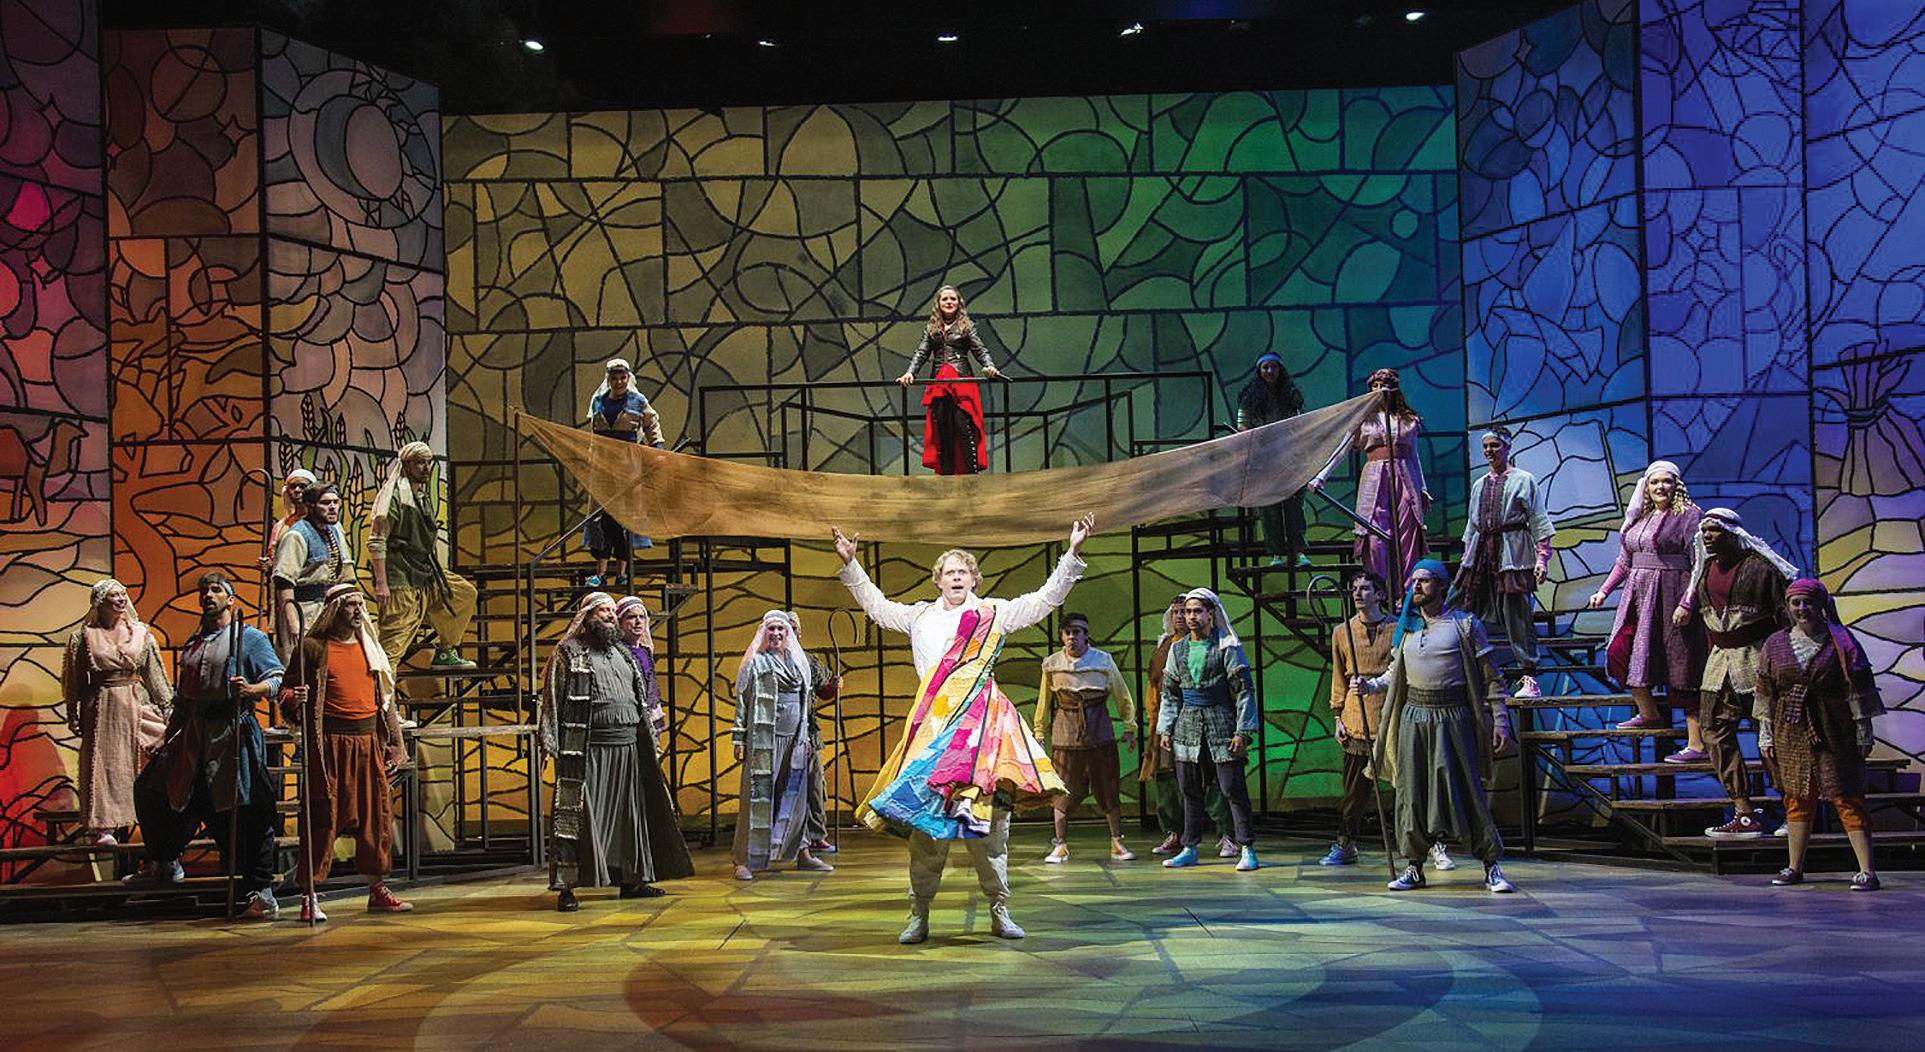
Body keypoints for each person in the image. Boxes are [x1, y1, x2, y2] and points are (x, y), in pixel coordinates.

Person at [831, 515, 1091, 944]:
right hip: (933, 732)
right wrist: (850, 563)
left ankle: (999, 909)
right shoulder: (920, 616)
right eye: (949, 572)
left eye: (962, 571)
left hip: (982, 731)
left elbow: (1045, 599)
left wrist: (1073, 553)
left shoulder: (993, 613)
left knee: (990, 825)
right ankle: (919, 913)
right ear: (937, 581)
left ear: (974, 578)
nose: (956, 577)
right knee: (926, 828)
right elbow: (877, 606)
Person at [127, 573, 284, 919]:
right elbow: (183, 700)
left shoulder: (249, 638)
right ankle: (165, 861)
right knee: (154, 791)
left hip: (233, 735)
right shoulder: (194, 643)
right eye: (204, 591)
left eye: (216, 590)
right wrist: (167, 739)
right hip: (194, 737)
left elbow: (277, 678)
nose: (208, 596)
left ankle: (261, 891)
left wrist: (252, 690)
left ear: (231, 599)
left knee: (248, 811)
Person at [1358, 559, 1518, 894]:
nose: (1416, 587)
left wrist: (1500, 721)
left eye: (1425, 581)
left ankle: (1491, 865)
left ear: (1442, 586)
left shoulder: (1465, 625)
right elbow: (1395, 674)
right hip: (1414, 718)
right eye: (1413, 581)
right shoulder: (1407, 628)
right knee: (1412, 794)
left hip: (1453, 717)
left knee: (1465, 791)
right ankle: (1415, 867)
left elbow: (1492, 678)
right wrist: (1370, 686)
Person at [540, 593, 693, 911]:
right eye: (603, 611)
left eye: (612, 611)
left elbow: (642, 700)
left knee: (629, 818)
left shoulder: (624, 653)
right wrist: (549, 742)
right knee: (578, 819)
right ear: (587, 616)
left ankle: (633, 880)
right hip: (589, 751)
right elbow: (553, 698)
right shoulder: (569, 652)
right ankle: (567, 888)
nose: (610, 615)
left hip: (628, 749)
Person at [281, 584, 413, 922]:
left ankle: (377, 889)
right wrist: (295, 699)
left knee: (375, 818)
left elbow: (385, 699)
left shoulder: (370, 647)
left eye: (360, 605)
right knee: (322, 817)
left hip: (367, 743)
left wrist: (396, 744)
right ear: (334, 610)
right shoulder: (313, 647)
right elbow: (286, 691)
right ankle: (310, 894)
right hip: (329, 745)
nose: (358, 611)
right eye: (350, 605)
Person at [1758, 579, 1886, 891]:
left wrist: (1863, 730)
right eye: (1796, 603)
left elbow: (1859, 688)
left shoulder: (1841, 641)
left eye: (1808, 602)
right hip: (1790, 728)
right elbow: (1765, 691)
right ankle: (1794, 867)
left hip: (1834, 727)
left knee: (1846, 794)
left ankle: (1867, 871)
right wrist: (1766, 732)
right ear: (1788, 606)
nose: (1802, 609)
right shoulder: (1775, 643)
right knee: (1797, 797)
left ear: (1821, 605)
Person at [1686, 508, 1796, 840]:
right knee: (1713, 730)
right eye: (1704, 531)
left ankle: (1795, 811)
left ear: (1732, 533)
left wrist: (1785, 664)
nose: (1707, 536)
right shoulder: (1704, 569)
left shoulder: (1761, 569)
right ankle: (1744, 811)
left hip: (1756, 658)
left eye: (1714, 530)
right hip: (1719, 664)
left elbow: (1785, 619)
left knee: (1773, 736)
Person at [1588, 461, 1707, 760]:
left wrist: (1687, 602)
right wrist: (1604, 590)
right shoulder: (1639, 516)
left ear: (1676, 485)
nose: (1660, 487)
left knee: (1680, 666)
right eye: (1655, 482)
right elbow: (1624, 562)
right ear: (1647, 486)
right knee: (1619, 651)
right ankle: (1649, 713)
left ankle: (1697, 744)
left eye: (1667, 481)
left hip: (1672, 595)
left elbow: (1700, 563)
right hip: (1639, 599)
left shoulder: (1689, 515)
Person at [1157, 588, 1261, 873]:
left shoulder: (1227, 646)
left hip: (1221, 722)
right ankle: (1189, 847)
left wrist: (1242, 731)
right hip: (1187, 726)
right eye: (1187, 611)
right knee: (1189, 789)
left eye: (1197, 611)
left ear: (1210, 614)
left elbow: (1244, 691)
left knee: (1232, 788)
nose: (1191, 616)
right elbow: (1170, 692)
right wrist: (1166, 728)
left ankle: (1246, 847)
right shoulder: (1177, 649)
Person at [62, 579, 172, 845]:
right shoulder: (84, 637)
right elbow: (74, 679)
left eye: (123, 594)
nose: (121, 599)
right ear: (101, 602)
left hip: (134, 701)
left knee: (154, 755)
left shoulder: (140, 634)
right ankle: (105, 825)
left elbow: (154, 675)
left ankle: (157, 820)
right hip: (102, 706)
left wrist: (168, 708)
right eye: (114, 595)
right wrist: (73, 712)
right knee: (105, 765)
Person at [730, 610, 836, 880]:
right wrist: (739, 738)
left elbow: (804, 702)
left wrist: (805, 736)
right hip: (764, 740)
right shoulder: (756, 662)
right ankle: (744, 859)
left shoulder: (798, 662)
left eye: (781, 629)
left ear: (788, 634)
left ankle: (802, 853)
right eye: (772, 629)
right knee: (757, 797)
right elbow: (742, 701)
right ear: (764, 633)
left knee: (796, 798)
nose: (776, 634)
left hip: (795, 740)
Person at [1453, 427, 1556, 698]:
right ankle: (1462, 669)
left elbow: (1538, 520)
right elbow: (1472, 525)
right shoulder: (1480, 484)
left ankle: (1529, 676)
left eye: (1495, 445)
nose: (1489, 451)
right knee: (1459, 605)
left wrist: (1542, 559)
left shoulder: (1524, 480)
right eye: (1486, 446)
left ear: (1507, 447)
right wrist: (1467, 558)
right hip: (1481, 553)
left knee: (1516, 614)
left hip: (1512, 553)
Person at [1308, 367, 1430, 587]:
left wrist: (1422, 488)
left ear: (1394, 388)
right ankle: (1379, 591)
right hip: (1375, 478)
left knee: (1407, 536)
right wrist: (1321, 477)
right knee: (1374, 536)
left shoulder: (1408, 419)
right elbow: (1342, 449)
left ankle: (1406, 593)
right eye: (1376, 385)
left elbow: (1414, 455)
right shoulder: (1363, 420)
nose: (1381, 389)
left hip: (1405, 477)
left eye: (1385, 385)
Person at [1035, 612, 1138, 864]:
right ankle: (1060, 844)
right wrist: (1039, 731)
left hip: (1098, 729)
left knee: (1107, 784)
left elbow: (1122, 694)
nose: (1072, 637)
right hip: (1066, 731)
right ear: (1062, 636)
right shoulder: (1052, 663)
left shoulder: (1102, 660)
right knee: (1062, 786)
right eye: (1067, 632)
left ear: (1086, 635)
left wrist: (1129, 726)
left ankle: (1116, 842)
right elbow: (1043, 701)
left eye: (1077, 632)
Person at [1141, 595, 1238, 859]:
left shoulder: (1216, 644)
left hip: (1207, 717)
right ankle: (1176, 834)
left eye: (1186, 611)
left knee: (1216, 777)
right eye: (1176, 612)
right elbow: (1158, 688)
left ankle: (1226, 834)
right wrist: (1158, 724)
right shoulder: (1166, 646)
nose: (1181, 617)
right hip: (1169, 722)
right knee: (1168, 780)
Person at [369, 441, 477, 670]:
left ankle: (446, 650)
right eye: (420, 463)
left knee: (462, 594)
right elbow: (377, 541)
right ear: (407, 465)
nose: (426, 468)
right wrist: (381, 583)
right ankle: (381, 690)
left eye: (429, 462)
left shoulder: (420, 495)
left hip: (423, 570)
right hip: (400, 575)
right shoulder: (395, 498)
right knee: (394, 643)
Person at [1320, 570, 1393, 867]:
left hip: (1388, 711)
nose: (1358, 594)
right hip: (1356, 714)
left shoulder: (1397, 627)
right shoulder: (1342, 631)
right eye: (1355, 589)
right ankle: (1346, 842)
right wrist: (1338, 715)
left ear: (1380, 594)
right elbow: (1339, 675)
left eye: (1365, 589)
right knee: (1354, 790)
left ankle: (1430, 843)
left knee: (1410, 784)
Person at [895, 284, 1000, 476]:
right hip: (939, 383)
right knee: (943, 429)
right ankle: (946, 476)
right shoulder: (932, 328)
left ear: (959, 302)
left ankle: (971, 476)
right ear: (939, 303)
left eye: (953, 298)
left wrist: (989, 366)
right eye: (945, 299)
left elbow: (980, 351)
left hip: (961, 381)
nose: (949, 302)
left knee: (963, 426)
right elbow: (921, 353)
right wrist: (910, 373)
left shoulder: (966, 327)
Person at [583, 358, 664, 587]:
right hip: (603, 466)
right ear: (608, 379)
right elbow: (594, 433)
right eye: (614, 378)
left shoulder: (637, 401)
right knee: (601, 519)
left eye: (622, 377)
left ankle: (621, 572)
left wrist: (657, 449)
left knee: (624, 519)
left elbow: (652, 425)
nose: (618, 382)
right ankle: (600, 572)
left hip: (628, 466)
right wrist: (591, 456)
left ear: (628, 378)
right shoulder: (599, 401)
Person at [1236, 351, 1311, 568]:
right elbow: (1242, 425)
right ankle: (1276, 553)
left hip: (1290, 459)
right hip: (1263, 460)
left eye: (1274, 367)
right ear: (1259, 370)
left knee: (1294, 508)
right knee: (1270, 509)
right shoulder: (1250, 397)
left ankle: (1299, 552)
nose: (1270, 371)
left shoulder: (1290, 395)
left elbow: (1298, 424)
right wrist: (1262, 439)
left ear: (1280, 369)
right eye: (1265, 367)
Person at [271, 482, 354, 656]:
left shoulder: (334, 531)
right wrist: (293, 622)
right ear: (311, 505)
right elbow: (284, 582)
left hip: (327, 608)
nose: (332, 507)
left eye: (335, 502)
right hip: (304, 609)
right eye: (325, 503)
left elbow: (344, 572)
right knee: (301, 660)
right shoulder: (297, 535)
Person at [616, 596, 668, 751]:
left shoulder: (645, 651)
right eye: (631, 617)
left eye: (641, 617)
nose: (638, 622)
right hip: (629, 719)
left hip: (649, 715)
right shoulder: (616, 653)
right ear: (620, 622)